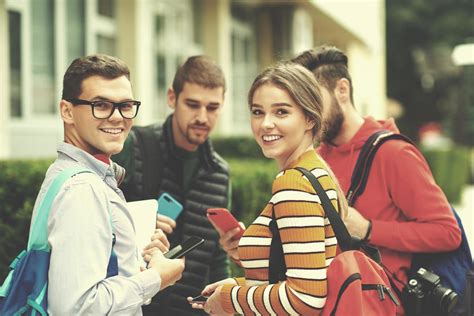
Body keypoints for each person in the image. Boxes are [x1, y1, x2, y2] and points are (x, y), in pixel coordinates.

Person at [291, 46, 462, 302]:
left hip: (377, 302)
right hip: (325, 300)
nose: (308, 114)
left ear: (342, 90)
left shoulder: (393, 153)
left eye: (313, 101)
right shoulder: (316, 158)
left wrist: (370, 229)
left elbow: (447, 232)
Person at [30, 54, 184, 315]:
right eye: (100, 105)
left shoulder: (72, 175)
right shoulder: (82, 190)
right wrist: (155, 278)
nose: (117, 117)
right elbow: (77, 307)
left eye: (125, 105)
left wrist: (135, 257)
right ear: (67, 111)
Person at [190, 62, 348, 315]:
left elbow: (306, 298)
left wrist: (230, 298)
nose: (265, 124)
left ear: (309, 118)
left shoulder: (293, 183)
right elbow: (293, 272)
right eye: (257, 112)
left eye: (281, 112)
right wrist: (238, 283)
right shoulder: (318, 172)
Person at [113, 55, 231, 315]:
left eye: (212, 108)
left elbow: (216, 255)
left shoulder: (219, 172)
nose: (202, 117)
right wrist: (141, 222)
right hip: (135, 305)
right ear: (171, 98)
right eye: (192, 104)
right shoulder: (134, 146)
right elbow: (96, 222)